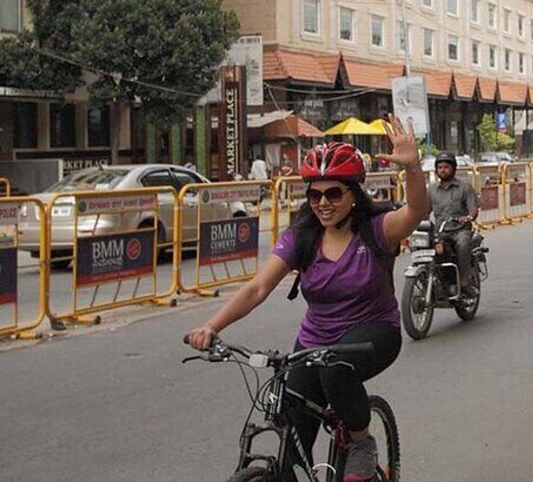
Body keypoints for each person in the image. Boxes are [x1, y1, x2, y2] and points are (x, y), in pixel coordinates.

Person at [186, 116, 429, 482]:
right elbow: (257, 288)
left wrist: (412, 167)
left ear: (353, 195)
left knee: (335, 370)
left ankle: (362, 443)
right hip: (313, 342)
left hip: (373, 333)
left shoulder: (377, 230)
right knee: (290, 435)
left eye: (333, 193)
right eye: (314, 194)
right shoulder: (302, 237)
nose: (322, 203)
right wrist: (211, 326)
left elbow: (416, 210)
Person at [427, 151, 482, 302]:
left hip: (460, 230)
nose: (443, 170)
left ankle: (464, 281)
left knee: (463, 244)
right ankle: (431, 279)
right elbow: (424, 212)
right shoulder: (431, 190)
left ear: (453, 169)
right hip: (440, 231)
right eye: (440, 167)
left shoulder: (465, 188)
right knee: (421, 243)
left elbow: (473, 210)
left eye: (446, 167)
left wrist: (468, 217)